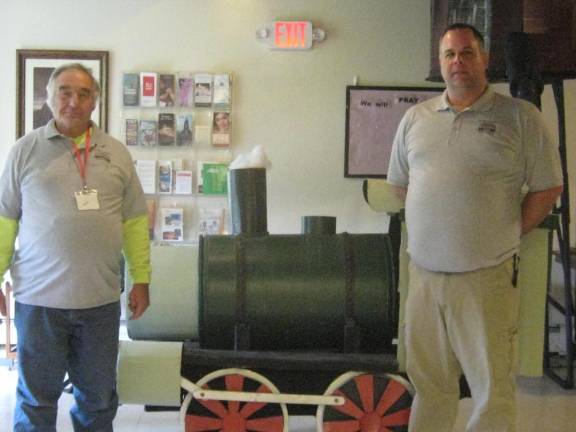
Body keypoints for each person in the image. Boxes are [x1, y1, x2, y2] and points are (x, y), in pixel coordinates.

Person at [387, 23, 563, 432]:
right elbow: (400, 185)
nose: (457, 62)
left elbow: (547, 187)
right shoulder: (416, 118)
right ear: (440, 62)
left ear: (484, 59)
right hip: (425, 279)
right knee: (430, 385)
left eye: (467, 53)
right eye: (449, 55)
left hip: (485, 279)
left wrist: (502, 231)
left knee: (491, 390)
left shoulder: (521, 118)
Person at [0, 63, 151, 431]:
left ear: (95, 101)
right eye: (65, 91)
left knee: (98, 401)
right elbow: (5, 220)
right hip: (39, 304)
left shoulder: (116, 154)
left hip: (99, 304)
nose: (74, 101)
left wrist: (141, 279)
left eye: (84, 93)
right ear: (50, 97)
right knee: (36, 400)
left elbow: (134, 221)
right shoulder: (24, 151)